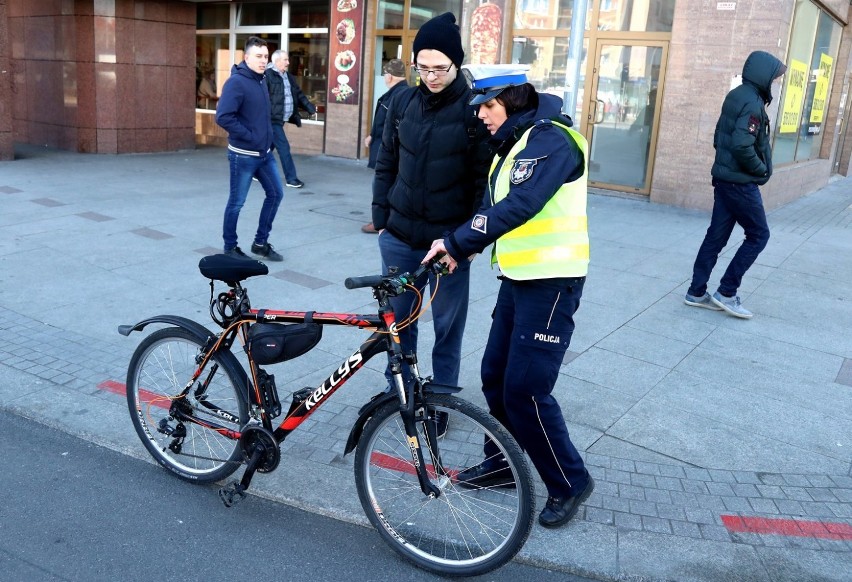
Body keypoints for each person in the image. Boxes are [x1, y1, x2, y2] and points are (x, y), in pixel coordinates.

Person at [422, 64, 594, 529]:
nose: (481, 115)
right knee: (495, 377)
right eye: (478, 107)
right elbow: (492, 207)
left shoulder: (551, 140)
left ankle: (569, 481)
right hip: (520, 279)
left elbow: (522, 205)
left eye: (488, 106)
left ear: (514, 100)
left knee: (526, 390)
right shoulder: (514, 145)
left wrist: (459, 242)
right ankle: (502, 463)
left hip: (554, 283)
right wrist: (463, 248)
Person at [371, 12, 492, 413]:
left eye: (441, 68)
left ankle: (439, 402)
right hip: (401, 237)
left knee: (446, 327)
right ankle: (403, 394)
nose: (431, 76)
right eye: (423, 67)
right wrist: (383, 221)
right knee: (399, 324)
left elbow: (483, 182)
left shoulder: (476, 112)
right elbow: (386, 160)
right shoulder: (402, 101)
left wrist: (470, 243)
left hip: (449, 243)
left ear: (457, 64)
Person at [684, 51, 786, 319]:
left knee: (715, 237)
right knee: (759, 235)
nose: (774, 83)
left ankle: (696, 292)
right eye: (774, 78)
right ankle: (727, 292)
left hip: (724, 180)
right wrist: (760, 169)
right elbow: (742, 144)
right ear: (763, 76)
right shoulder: (752, 103)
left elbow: (719, 137)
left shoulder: (736, 95)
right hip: (740, 184)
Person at [215, 36, 285, 262]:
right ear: (246, 57)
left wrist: (267, 138)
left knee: (276, 194)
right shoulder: (237, 82)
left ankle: (260, 243)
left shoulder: (261, 79)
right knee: (237, 203)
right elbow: (224, 117)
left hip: (264, 154)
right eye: (258, 56)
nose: (263, 60)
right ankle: (230, 247)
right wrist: (251, 136)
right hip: (243, 156)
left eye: (265, 56)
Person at [361, 59, 409, 234]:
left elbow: (395, 126)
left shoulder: (398, 95)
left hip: (389, 151)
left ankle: (380, 220)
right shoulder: (398, 93)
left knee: (382, 185)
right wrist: (372, 135)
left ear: (389, 76)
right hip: (384, 146)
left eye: (384, 75)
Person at [267, 50, 317, 189]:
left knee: (268, 147)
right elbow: (261, 98)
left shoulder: (288, 76)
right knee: (284, 148)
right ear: (276, 61)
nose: (288, 63)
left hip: (281, 118)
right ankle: (291, 179)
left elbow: (299, 94)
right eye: (285, 60)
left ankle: (253, 170)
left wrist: (310, 108)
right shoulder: (268, 75)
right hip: (272, 119)